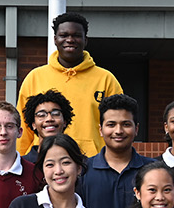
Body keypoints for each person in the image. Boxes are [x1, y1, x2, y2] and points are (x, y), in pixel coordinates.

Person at [16, 12, 123, 157]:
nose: (70, 40)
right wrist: (20, 159)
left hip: (92, 161)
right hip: (45, 159)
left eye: (76, 35)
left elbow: (118, 124)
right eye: (64, 35)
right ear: (55, 39)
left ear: (85, 40)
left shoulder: (106, 79)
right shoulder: (35, 77)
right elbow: (23, 125)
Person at [20, 89, 74, 164]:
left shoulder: (79, 162)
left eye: (56, 113)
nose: (49, 119)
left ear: (65, 121)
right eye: (41, 115)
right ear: (33, 124)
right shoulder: (22, 165)